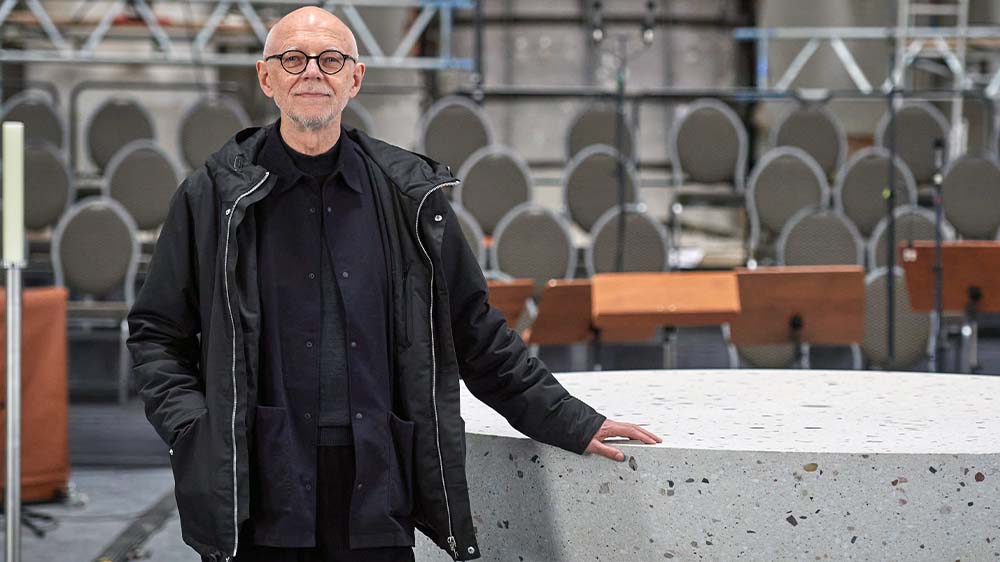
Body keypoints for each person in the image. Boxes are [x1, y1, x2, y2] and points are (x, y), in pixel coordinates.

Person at [127, 6, 661, 562]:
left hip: (376, 494)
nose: (312, 71)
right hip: (261, 495)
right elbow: (156, 333)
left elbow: (475, 332)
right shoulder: (212, 196)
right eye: (293, 59)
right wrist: (195, 431)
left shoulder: (408, 199)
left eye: (330, 59)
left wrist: (572, 420)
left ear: (355, 79)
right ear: (267, 78)